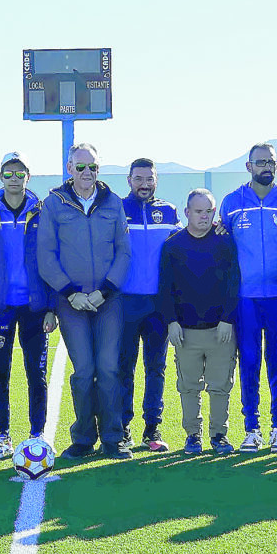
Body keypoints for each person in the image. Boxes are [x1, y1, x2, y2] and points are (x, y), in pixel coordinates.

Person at [37, 143, 132, 460]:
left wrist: (103, 291)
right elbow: (46, 256)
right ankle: (82, 438)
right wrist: (71, 294)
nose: (87, 173)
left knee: (108, 369)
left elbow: (123, 252)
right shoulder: (53, 204)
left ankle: (113, 437)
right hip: (71, 302)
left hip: (108, 300)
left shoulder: (113, 203)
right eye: (81, 167)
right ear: (69, 169)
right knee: (84, 371)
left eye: (93, 167)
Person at [0, 152, 56, 460]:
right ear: (1, 177)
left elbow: (51, 258)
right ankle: (2, 436)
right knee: (0, 373)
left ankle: (37, 434)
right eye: (9, 174)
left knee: (36, 372)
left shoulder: (42, 212)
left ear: (28, 177)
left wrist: (51, 306)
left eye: (20, 174)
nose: (14, 179)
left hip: (35, 306)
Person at [220, 143, 277, 453]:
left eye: (270, 162)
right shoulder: (231, 203)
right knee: (250, 362)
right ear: (248, 166)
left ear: (276, 166)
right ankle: (251, 428)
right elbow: (223, 253)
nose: (265, 166)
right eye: (260, 162)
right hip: (245, 300)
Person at [159, 189, 240, 455]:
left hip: (220, 330)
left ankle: (219, 436)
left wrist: (227, 319)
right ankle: (193, 436)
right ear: (187, 213)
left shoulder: (225, 243)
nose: (204, 217)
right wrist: (171, 322)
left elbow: (233, 283)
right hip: (186, 331)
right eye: (198, 211)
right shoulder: (173, 245)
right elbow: (165, 288)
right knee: (189, 387)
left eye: (209, 211)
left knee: (220, 387)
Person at [118, 157, 180, 453]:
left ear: (157, 180)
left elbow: (183, 246)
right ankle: (123, 429)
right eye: (139, 178)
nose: (144, 184)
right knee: (124, 368)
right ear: (129, 180)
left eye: (149, 179)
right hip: (125, 303)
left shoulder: (168, 211)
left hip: (158, 305)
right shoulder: (117, 209)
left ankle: (152, 429)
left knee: (156, 368)